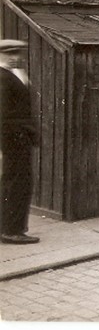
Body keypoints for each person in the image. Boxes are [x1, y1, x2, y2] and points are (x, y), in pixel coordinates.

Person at [0, 39, 39, 244]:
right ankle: (12, 231)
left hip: (18, 137)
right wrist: (20, 134)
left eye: (17, 53)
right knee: (18, 182)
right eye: (10, 54)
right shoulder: (3, 77)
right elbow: (4, 114)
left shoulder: (13, 74)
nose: (15, 57)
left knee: (13, 181)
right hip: (14, 138)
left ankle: (9, 226)